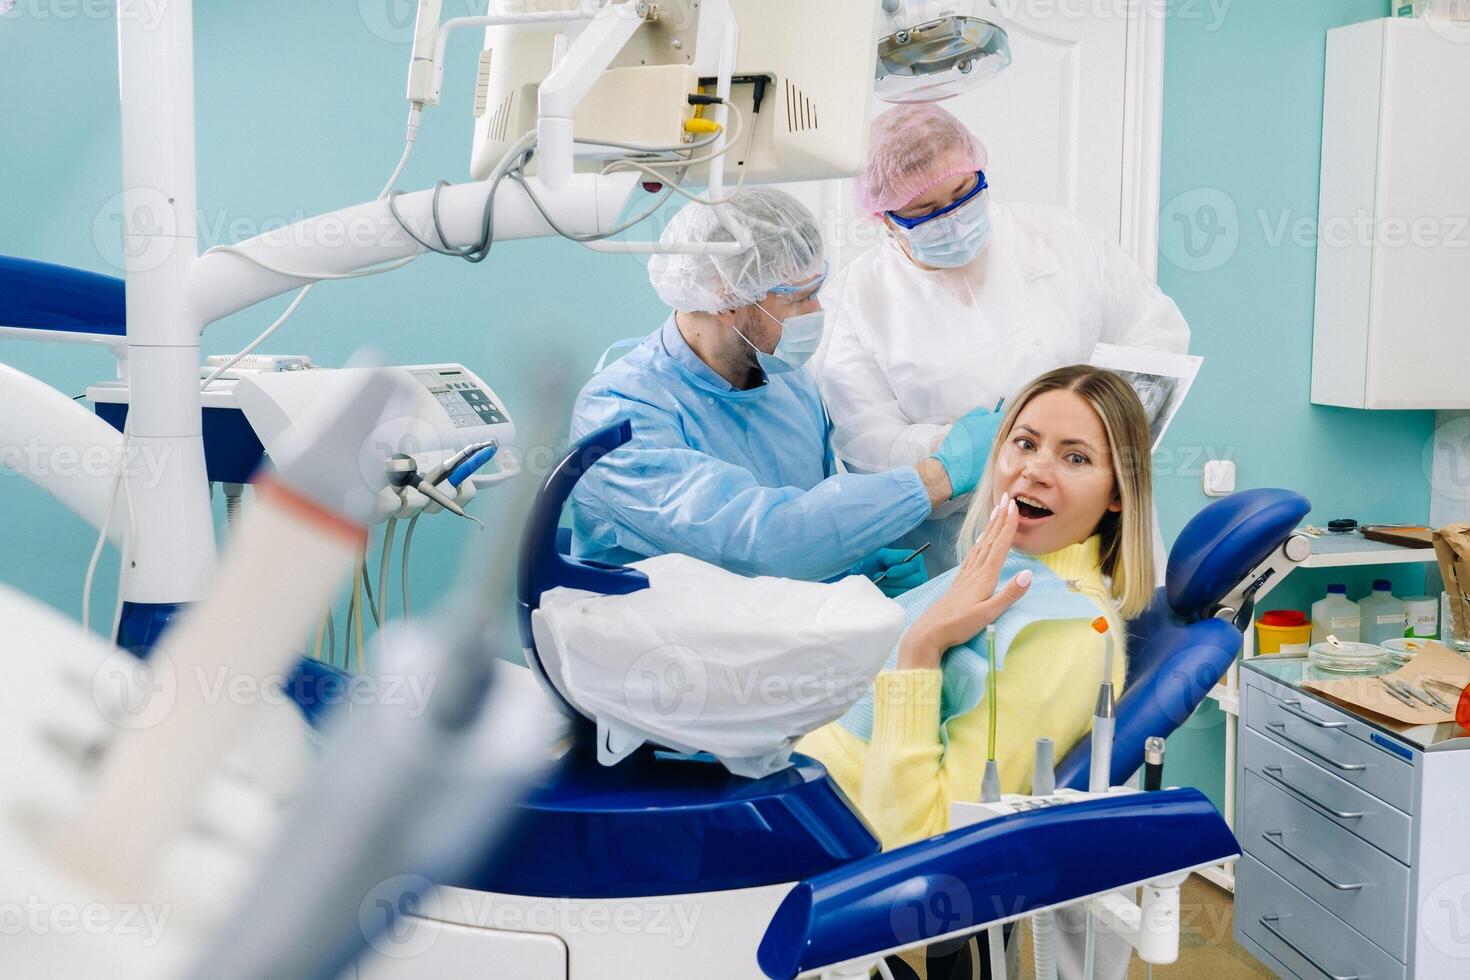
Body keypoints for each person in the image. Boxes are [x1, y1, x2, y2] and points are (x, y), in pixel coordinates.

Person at [798, 365, 1154, 980]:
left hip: (821, 846)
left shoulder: (1064, 631)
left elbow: (927, 853)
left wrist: (920, 646)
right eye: (1025, 442)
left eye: (1075, 458)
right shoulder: (1008, 570)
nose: (1035, 469)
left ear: (1118, 492)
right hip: (802, 796)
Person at [816, 103, 1188, 571]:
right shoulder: (854, 300)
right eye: (926, 210)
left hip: (1098, 526)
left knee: (1118, 635)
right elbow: (868, 445)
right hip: (963, 542)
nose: (952, 216)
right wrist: (957, 452)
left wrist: (1092, 435)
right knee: (1000, 641)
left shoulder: (1059, 238)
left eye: (964, 191)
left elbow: (1155, 334)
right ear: (885, 220)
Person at [566, 188, 991, 593]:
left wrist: (852, 565)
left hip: (774, 640)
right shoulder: (620, 414)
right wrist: (935, 477)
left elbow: (810, 517)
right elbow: (763, 544)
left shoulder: (789, 383)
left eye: (817, 290)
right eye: (798, 298)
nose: (817, 311)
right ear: (726, 297)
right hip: (660, 651)